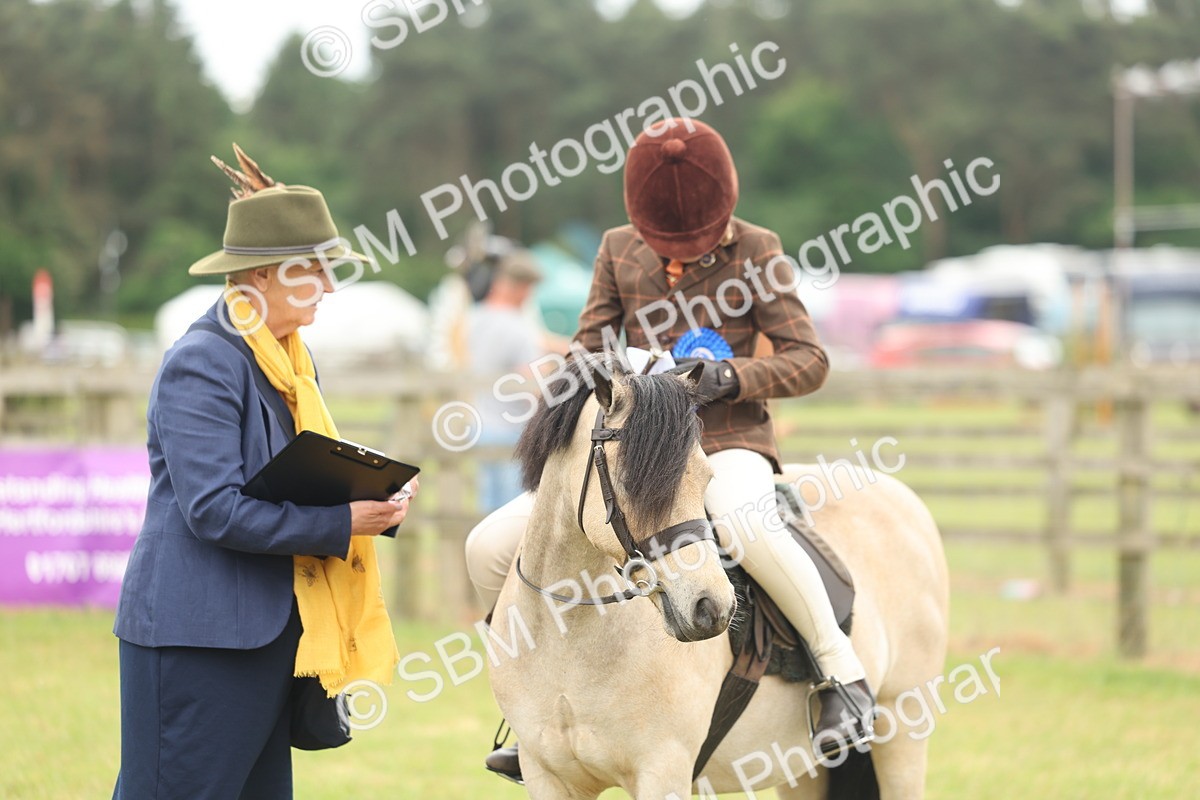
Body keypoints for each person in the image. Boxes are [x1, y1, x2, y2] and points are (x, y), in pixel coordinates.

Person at [465, 119, 873, 782]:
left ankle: (840, 673)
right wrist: (613, 369)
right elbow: (586, 346)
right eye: (666, 246)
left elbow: (810, 359)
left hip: (727, 441)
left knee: (744, 521)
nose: (679, 257)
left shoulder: (759, 249)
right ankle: (530, 708)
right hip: (630, 448)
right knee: (486, 544)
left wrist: (732, 375)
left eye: (696, 244)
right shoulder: (617, 248)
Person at [111, 146, 417, 799]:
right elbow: (215, 509)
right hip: (200, 641)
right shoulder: (204, 360)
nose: (330, 287)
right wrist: (342, 522)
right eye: (315, 270)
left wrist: (374, 491)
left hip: (267, 638)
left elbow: (289, 473)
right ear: (265, 276)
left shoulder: (286, 361)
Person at [467, 250, 548, 512]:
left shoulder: (474, 319)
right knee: (514, 513)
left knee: (488, 510)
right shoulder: (518, 328)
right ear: (521, 288)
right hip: (513, 431)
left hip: (480, 427)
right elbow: (536, 382)